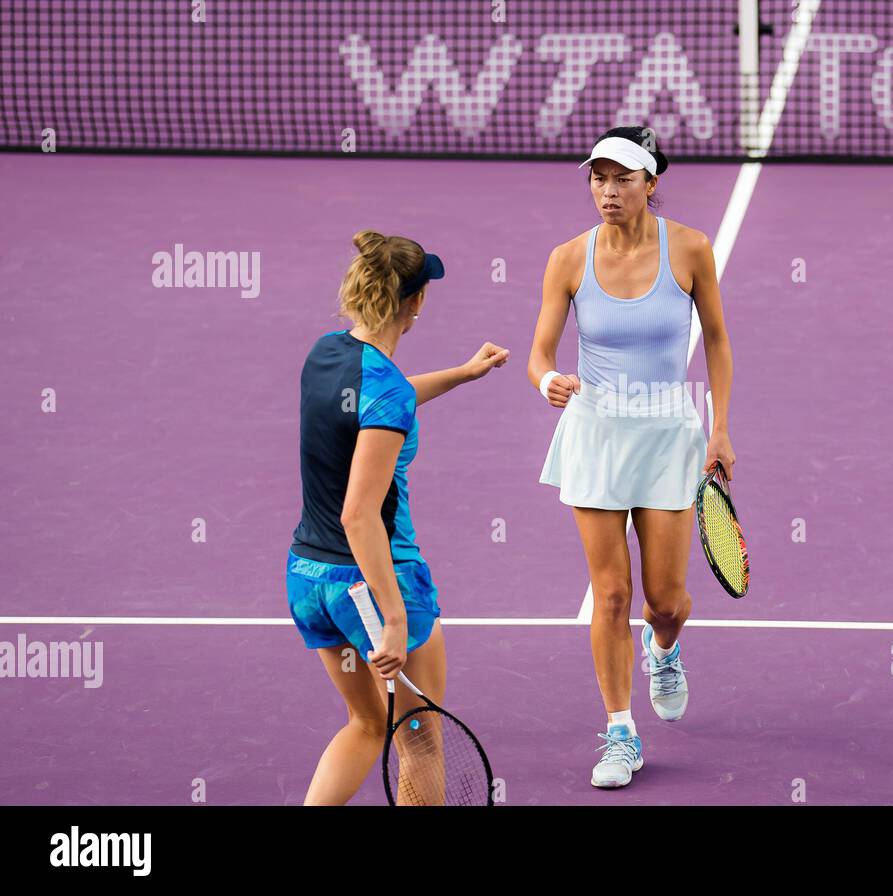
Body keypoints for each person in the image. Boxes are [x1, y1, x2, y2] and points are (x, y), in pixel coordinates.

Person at [527, 127, 737, 789]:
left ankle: (665, 650)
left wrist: (721, 429)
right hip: (595, 435)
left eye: (622, 179)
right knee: (610, 594)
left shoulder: (692, 248)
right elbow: (540, 351)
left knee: (664, 601)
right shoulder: (567, 258)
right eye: (598, 178)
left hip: (669, 433)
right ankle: (620, 732)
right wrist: (546, 381)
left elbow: (719, 343)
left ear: (650, 182)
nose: (607, 192)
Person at [287, 230, 508, 804]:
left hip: (309, 579)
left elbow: (375, 401)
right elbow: (359, 515)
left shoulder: (324, 354)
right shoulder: (387, 393)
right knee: (421, 739)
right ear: (415, 304)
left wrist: (461, 374)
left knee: (366, 724)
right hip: (375, 582)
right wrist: (391, 618)